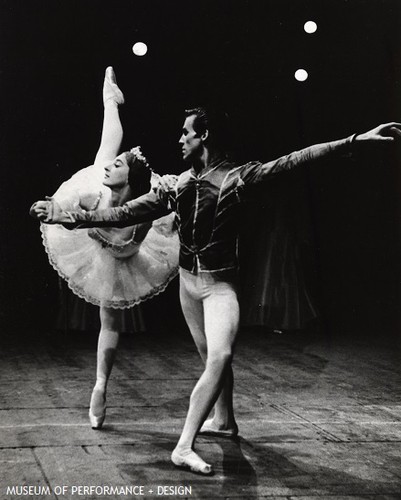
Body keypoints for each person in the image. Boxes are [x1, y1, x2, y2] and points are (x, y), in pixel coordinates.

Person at [32, 107, 401, 474]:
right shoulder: (176, 186)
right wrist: (66, 216)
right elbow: (121, 214)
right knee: (211, 354)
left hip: (219, 286)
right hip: (188, 286)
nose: (179, 139)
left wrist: (354, 140)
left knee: (220, 356)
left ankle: (183, 445)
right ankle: (223, 420)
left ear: (203, 136)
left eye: (186, 132)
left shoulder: (238, 178)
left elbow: (294, 161)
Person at [30, 67, 179, 429]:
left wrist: (175, 207)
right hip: (97, 243)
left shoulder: (147, 207)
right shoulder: (95, 189)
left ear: (131, 178)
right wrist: (52, 209)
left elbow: (166, 204)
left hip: (126, 255)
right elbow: (68, 210)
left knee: (109, 319)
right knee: (104, 145)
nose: (111, 168)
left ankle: (101, 384)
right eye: (114, 166)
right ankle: (110, 99)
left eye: (118, 166)